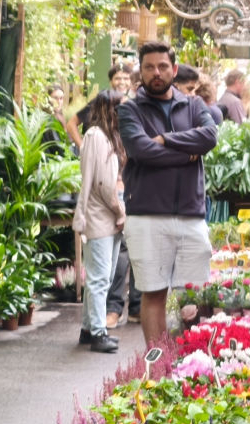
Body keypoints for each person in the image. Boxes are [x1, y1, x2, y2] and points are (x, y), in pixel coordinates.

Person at [118, 41, 218, 344]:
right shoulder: (130, 109)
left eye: (162, 66)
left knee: (195, 296)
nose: (156, 73)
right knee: (154, 293)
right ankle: (159, 364)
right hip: (147, 216)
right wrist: (187, 153)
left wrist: (165, 140)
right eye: (149, 67)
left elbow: (209, 136)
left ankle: (193, 360)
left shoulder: (194, 105)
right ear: (141, 71)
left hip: (190, 215)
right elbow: (141, 151)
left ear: (173, 69)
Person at [71, 90, 126, 354]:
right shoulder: (96, 136)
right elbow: (104, 184)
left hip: (107, 216)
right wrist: (119, 210)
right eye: (121, 108)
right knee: (99, 278)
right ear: (109, 110)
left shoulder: (106, 136)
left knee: (102, 275)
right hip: (100, 215)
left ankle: (88, 329)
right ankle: (98, 333)